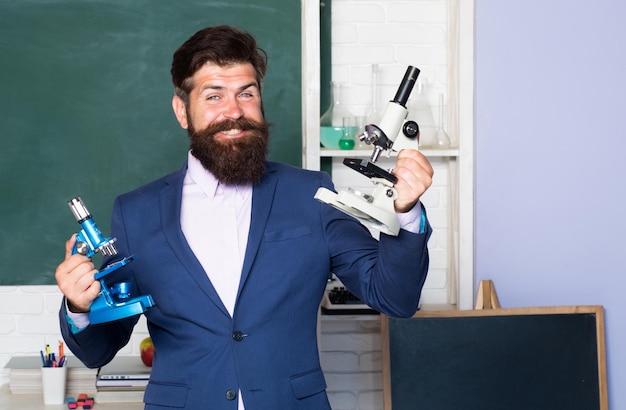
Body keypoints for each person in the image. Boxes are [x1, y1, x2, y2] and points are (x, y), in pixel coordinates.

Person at [55, 25, 434, 409]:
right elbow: (97, 350)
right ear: (182, 110)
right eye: (213, 95)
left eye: (246, 94)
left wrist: (406, 213)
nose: (234, 111)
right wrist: (79, 307)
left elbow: (396, 299)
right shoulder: (136, 213)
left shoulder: (311, 194)